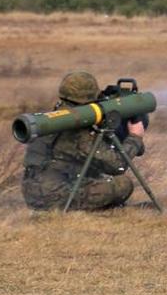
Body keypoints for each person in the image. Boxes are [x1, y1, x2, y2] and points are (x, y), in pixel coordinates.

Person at [21, 71, 145, 211]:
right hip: (57, 196)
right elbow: (117, 165)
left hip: (32, 194)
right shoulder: (78, 131)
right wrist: (135, 137)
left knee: (95, 175)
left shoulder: (48, 120)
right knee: (123, 184)